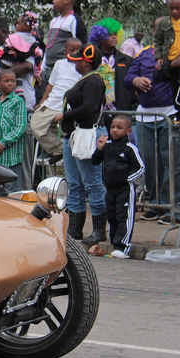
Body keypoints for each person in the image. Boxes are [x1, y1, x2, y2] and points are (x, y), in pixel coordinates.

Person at [125, 17, 180, 224]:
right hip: (145, 118)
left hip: (170, 116)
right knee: (149, 162)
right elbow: (127, 78)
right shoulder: (143, 53)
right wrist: (135, 80)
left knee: (172, 164)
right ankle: (156, 205)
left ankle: (174, 208)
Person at [53, 43, 107, 244]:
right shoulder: (86, 80)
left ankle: (99, 230)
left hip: (87, 135)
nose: (75, 64)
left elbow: (90, 109)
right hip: (74, 135)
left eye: (78, 61)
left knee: (92, 182)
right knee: (74, 184)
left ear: (86, 62)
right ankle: (75, 229)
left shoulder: (94, 81)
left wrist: (63, 115)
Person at [91, 116, 145, 258]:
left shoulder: (129, 148)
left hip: (125, 189)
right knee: (112, 216)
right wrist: (99, 148)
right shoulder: (107, 146)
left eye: (119, 128)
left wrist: (127, 179)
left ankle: (123, 247)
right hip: (110, 189)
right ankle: (115, 245)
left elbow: (140, 167)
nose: (114, 130)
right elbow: (95, 161)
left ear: (128, 131)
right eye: (113, 127)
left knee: (123, 216)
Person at [30, 38, 82, 163]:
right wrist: (42, 102)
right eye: (72, 50)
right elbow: (50, 85)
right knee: (36, 125)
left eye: (78, 50)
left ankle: (68, 151)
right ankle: (60, 149)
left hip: (69, 106)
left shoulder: (82, 65)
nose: (75, 52)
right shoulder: (59, 64)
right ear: (65, 51)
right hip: (53, 103)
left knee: (71, 132)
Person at [88, 18, 135, 122]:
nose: (114, 37)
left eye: (115, 34)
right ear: (100, 37)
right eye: (109, 34)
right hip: (96, 113)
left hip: (120, 113)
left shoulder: (127, 60)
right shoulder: (91, 59)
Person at [154, 0, 180, 124]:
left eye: (177, 8)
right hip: (172, 61)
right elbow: (158, 41)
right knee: (177, 87)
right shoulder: (164, 23)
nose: (174, 11)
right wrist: (158, 58)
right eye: (171, 8)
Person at [43, 0, 88, 85]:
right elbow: (49, 46)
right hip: (48, 68)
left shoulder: (73, 20)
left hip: (64, 69)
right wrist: (42, 67)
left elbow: (81, 45)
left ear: (66, 0)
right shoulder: (53, 21)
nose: (53, 1)